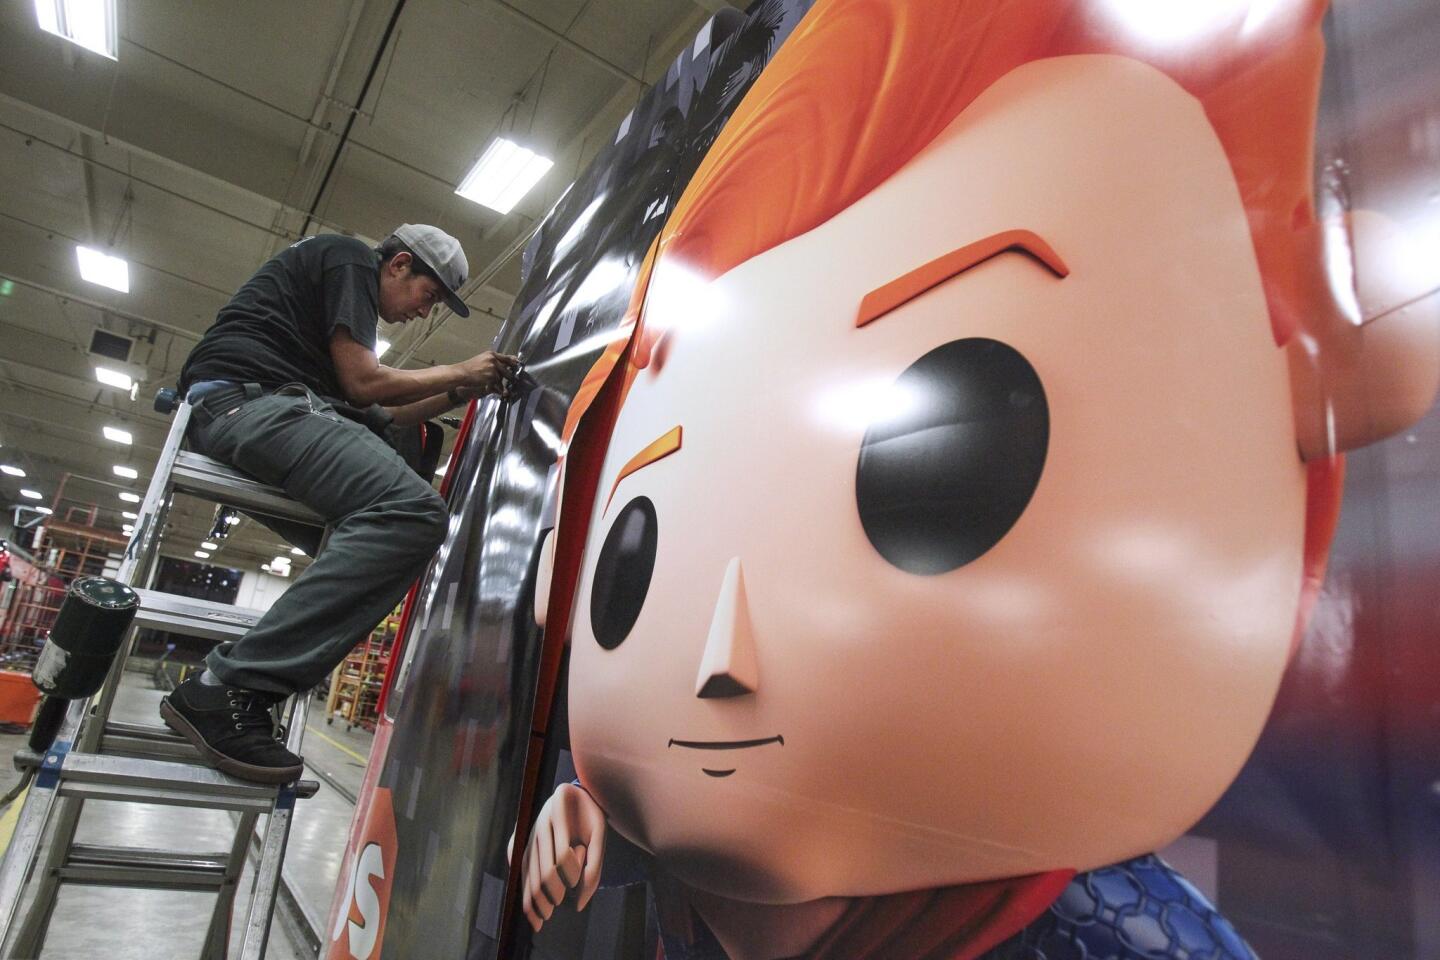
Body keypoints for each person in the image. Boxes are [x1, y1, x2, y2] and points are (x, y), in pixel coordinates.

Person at [514, 0, 1438, 957]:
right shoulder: (688, 860)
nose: (722, 659)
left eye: (940, 471)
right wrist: (587, 814)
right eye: (630, 558)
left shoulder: (1111, 928)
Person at [161, 224, 518, 784]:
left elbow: (383, 413)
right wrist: (462, 368)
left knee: (385, 551)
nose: (423, 314)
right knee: (413, 514)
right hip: (244, 402)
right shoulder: (348, 257)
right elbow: (362, 382)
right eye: (428, 297)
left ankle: (238, 685)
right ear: (399, 265)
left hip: (265, 407)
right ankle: (229, 688)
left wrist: (460, 391)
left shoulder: (318, 333)